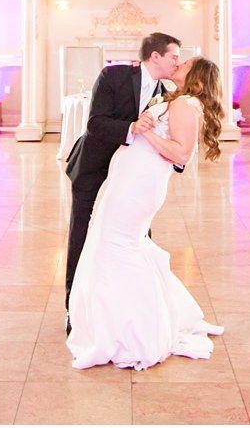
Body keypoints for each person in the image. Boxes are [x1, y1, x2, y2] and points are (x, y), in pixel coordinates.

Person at [66, 55, 225, 371]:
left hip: (138, 187)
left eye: (185, 63)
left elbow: (181, 153)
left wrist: (145, 132)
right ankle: (119, 318)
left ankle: (133, 328)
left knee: (116, 245)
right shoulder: (177, 100)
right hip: (128, 182)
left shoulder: (184, 106)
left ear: (196, 75)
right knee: (117, 244)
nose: (178, 64)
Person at [63, 32, 183, 324]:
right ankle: (73, 308)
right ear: (155, 56)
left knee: (138, 234)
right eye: (174, 57)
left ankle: (134, 306)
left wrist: (178, 158)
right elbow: (95, 123)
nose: (177, 63)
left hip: (132, 177)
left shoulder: (166, 92)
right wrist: (132, 126)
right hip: (94, 168)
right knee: (83, 231)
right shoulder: (112, 75)